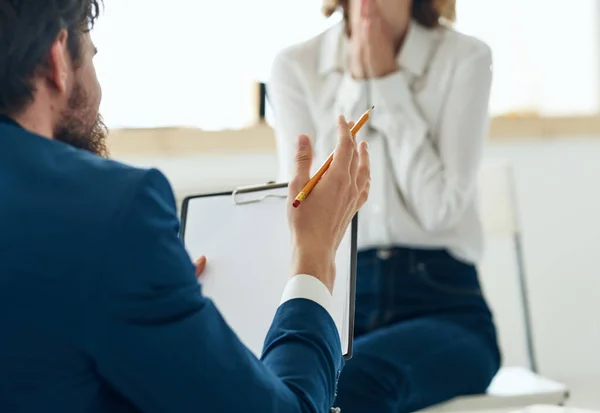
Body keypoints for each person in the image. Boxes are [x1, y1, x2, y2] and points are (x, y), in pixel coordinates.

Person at [0, 1, 371, 412]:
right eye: (92, 55)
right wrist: (315, 256)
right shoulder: (111, 208)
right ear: (58, 59)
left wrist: (157, 304)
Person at [268, 0, 501, 411]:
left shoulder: (466, 57)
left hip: (445, 308)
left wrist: (386, 82)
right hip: (338, 298)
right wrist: (358, 84)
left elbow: (440, 209)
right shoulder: (295, 65)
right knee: (272, 383)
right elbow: (310, 210)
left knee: (349, 385)